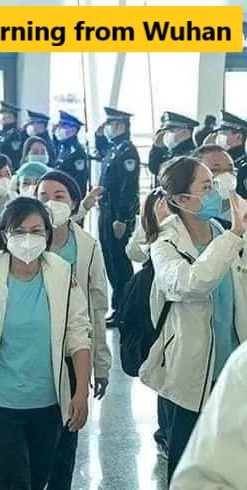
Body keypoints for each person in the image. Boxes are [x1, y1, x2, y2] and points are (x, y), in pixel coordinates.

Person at [0, 197, 92, 490]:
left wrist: (80, 394)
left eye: (37, 230)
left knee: (37, 482)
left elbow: (79, 335)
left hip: (48, 404)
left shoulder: (63, 276)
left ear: (48, 234)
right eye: (19, 231)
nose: (29, 238)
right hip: (0, 405)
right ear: (4, 235)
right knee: (14, 484)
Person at [138, 156, 247, 482]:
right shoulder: (166, 241)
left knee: (229, 460)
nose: (216, 192)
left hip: (230, 367)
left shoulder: (218, 229)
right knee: (189, 463)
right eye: (207, 186)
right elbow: (190, 284)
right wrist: (233, 236)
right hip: (190, 371)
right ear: (182, 200)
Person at [35, 171, 111, 489]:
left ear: (74, 202)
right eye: (43, 196)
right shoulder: (23, 239)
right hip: (31, 350)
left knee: (66, 437)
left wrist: (101, 364)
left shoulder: (87, 246)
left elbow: (97, 307)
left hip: (72, 351)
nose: (50, 203)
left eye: (59, 196)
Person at [171, 342, 247, 488]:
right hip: (194, 361)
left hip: (228, 352)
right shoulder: (243, 365)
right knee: (183, 432)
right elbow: (197, 482)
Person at [95, 107, 141, 325]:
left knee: (120, 263)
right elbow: (101, 152)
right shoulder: (116, 148)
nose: (107, 129)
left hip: (117, 215)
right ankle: (119, 307)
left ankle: (127, 309)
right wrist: (97, 135)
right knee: (110, 261)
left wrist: (122, 218)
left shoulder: (127, 152)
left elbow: (128, 188)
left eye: (110, 125)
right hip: (106, 211)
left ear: (121, 126)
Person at [148, 111, 199, 176]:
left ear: (185, 132)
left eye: (171, 131)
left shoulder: (190, 155)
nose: (167, 134)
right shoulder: (174, 150)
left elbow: (164, 171)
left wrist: (157, 149)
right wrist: (156, 148)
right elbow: (155, 168)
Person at [53, 111, 89, 197]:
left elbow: (80, 181)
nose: (59, 129)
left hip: (69, 197)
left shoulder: (77, 151)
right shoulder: (64, 148)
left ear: (73, 130)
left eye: (63, 126)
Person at [212, 111, 247, 198]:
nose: (218, 137)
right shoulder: (223, 158)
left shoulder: (242, 165)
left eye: (223, 133)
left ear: (238, 136)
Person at [0, 102, 24, 172]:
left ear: (13, 118)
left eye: (7, 117)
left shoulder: (15, 133)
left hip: (11, 167)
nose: (3, 118)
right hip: (2, 165)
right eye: (2, 116)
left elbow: (15, 154)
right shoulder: (5, 131)